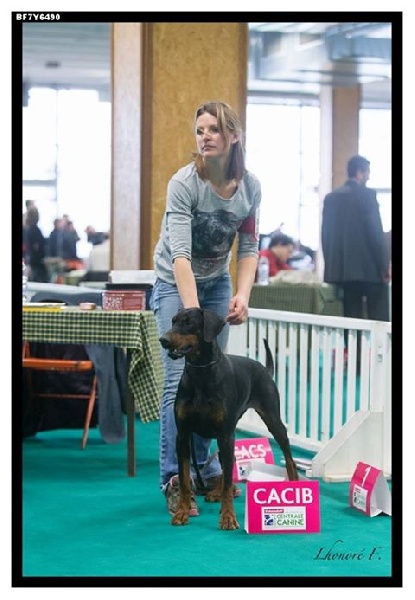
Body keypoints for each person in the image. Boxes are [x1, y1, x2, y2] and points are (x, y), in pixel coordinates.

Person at [150, 100, 261, 517]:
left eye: (213, 129)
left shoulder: (250, 187)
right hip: (173, 281)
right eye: (200, 130)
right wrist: (195, 318)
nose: (205, 137)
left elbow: (249, 247)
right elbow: (180, 253)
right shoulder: (184, 183)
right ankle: (174, 478)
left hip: (217, 282)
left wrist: (243, 295)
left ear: (234, 136)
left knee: (210, 378)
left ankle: (202, 468)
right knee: (178, 380)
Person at [321, 154, 391, 326]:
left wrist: (331, 265)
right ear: (360, 173)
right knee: (378, 319)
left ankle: (353, 344)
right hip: (370, 270)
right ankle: (379, 345)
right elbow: (375, 233)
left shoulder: (331, 198)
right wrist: (384, 266)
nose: (369, 177)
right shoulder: (367, 195)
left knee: (352, 320)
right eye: (368, 172)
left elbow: (326, 235)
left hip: (344, 272)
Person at [24, 206, 49, 282]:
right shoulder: (34, 230)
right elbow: (36, 247)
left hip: (33, 261)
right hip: (37, 262)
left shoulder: (29, 229)